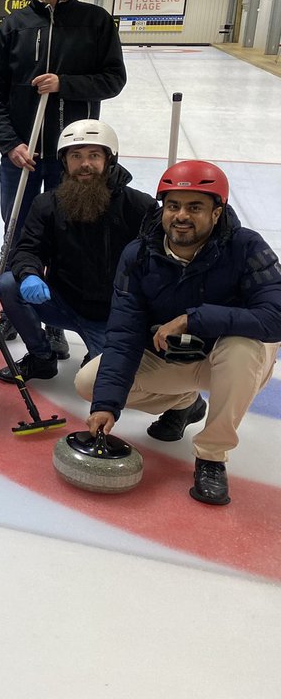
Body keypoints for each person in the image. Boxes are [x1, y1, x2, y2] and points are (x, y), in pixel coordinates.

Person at [76, 160, 281, 506]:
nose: (181, 215)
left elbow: (274, 317)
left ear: (217, 212)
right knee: (88, 384)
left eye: (195, 207)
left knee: (243, 346)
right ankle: (187, 402)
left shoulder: (247, 248)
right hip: (174, 361)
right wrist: (107, 405)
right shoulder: (139, 255)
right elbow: (124, 334)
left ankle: (212, 456)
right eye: (173, 205)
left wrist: (194, 318)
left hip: (229, 363)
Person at [0, 0, 126, 352]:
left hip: (73, 159)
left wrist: (66, 84)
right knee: (18, 236)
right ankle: (11, 312)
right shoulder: (13, 26)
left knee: (68, 238)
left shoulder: (95, 22)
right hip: (22, 156)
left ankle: (54, 322)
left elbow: (113, 79)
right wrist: (11, 144)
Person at [0, 120, 156, 382]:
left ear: (109, 159)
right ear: (64, 161)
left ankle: (96, 355)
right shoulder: (47, 204)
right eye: (76, 156)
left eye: (94, 155)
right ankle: (41, 358)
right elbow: (28, 249)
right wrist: (29, 273)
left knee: (104, 382)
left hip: (112, 316)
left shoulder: (138, 206)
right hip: (62, 302)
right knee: (9, 283)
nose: (85, 164)